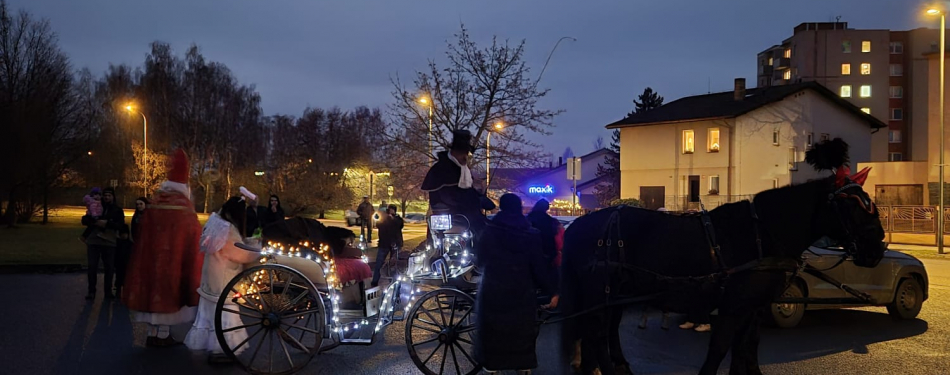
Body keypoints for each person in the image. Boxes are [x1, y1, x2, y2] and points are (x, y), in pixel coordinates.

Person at [123, 149, 204, 347]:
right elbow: (193, 234)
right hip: (173, 261)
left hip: (151, 258)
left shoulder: (156, 200)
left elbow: (144, 229)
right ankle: (163, 335)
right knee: (169, 295)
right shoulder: (183, 205)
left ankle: (152, 334)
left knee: (153, 293)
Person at [473, 194, 558, 373]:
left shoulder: (490, 231)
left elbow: (480, 261)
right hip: (521, 291)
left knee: (494, 331)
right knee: (520, 331)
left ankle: (492, 364)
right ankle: (522, 364)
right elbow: (538, 267)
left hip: (493, 290)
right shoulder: (530, 234)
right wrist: (552, 291)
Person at [184, 196, 260, 362]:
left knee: (210, 313)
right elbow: (239, 253)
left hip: (211, 275)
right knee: (225, 314)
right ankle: (221, 349)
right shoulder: (229, 230)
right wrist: (257, 249)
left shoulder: (215, 222)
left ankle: (212, 347)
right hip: (224, 278)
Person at [421, 129, 490, 235]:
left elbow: (468, 191)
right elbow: (449, 197)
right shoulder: (441, 169)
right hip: (447, 220)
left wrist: (481, 196)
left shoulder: (464, 170)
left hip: (467, 218)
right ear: (454, 152)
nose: (465, 157)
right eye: (463, 153)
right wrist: (477, 201)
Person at [80, 187, 125, 300]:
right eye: (105, 195)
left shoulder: (117, 210)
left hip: (109, 242)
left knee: (109, 268)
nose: (106, 197)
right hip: (94, 241)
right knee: (92, 267)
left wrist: (107, 224)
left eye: (109, 195)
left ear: (113, 197)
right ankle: (91, 291)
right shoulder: (95, 206)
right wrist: (94, 221)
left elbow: (121, 225)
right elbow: (84, 220)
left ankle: (108, 292)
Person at [372, 204, 404, 287]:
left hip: (395, 244)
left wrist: (391, 218)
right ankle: (375, 281)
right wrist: (384, 217)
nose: (391, 211)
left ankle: (393, 282)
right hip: (384, 243)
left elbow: (399, 225)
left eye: (392, 210)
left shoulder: (397, 219)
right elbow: (378, 225)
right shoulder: (383, 219)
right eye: (389, 209)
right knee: (379, 263)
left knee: (394, 264)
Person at [526, 199, 563, 268]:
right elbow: (559, 240)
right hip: (548, 253)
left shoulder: (527, 219)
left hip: (529, 253)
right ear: (546, 208)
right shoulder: (552, 221)